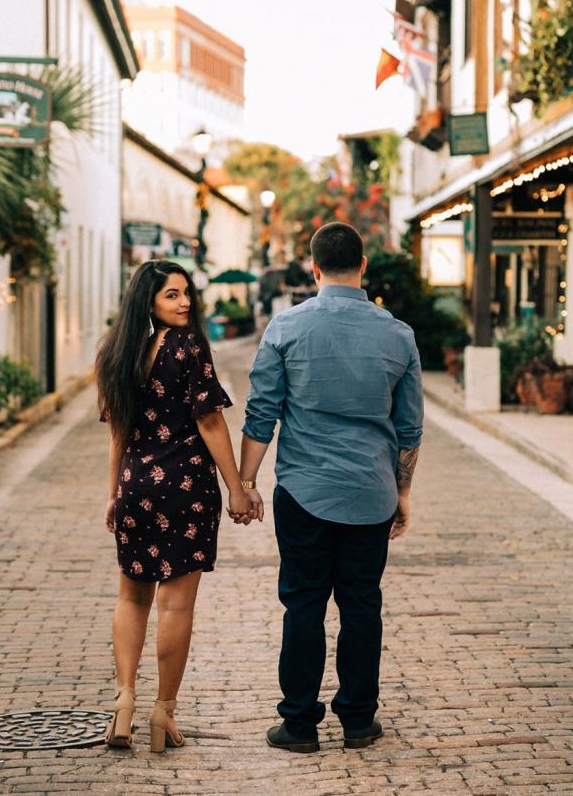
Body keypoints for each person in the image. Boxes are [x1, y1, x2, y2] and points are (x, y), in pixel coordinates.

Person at [236, 222, 424, 752]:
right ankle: (359, 722)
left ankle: (299, 724)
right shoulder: (399, 335)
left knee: (303, 606)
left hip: (302, 492)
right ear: (363, 267)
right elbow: (409, 429)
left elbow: (261, 414)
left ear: (313, 269)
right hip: (372, 492)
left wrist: (246, 483)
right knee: (362, 605)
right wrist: (402, 493)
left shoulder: (285, 328)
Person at [95, 259, 258, 752]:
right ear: (148, 301)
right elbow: (209, 423)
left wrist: (114, 492)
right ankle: (162, 711)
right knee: (176, 604)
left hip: (136, 485)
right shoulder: (188, 347)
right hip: (185, 487)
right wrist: (237, 487)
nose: (185, 302)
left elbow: (119, 432)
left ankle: (123, 700)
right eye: (172, 295)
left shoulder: (117, 354)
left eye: (187, 292)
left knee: (131, 597)